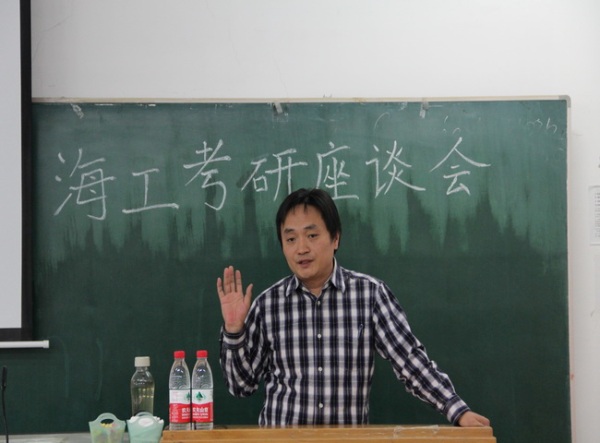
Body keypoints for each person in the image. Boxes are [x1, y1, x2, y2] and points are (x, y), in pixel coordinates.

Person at [217, 188, 489, 427]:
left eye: (312, 235)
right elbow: (241, 386)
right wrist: (234, 330)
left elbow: (410, 361)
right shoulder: (268, 304)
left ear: (335, 238)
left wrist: (456, 410)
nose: (301, 248)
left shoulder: (370, 295)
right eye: (291, 239)